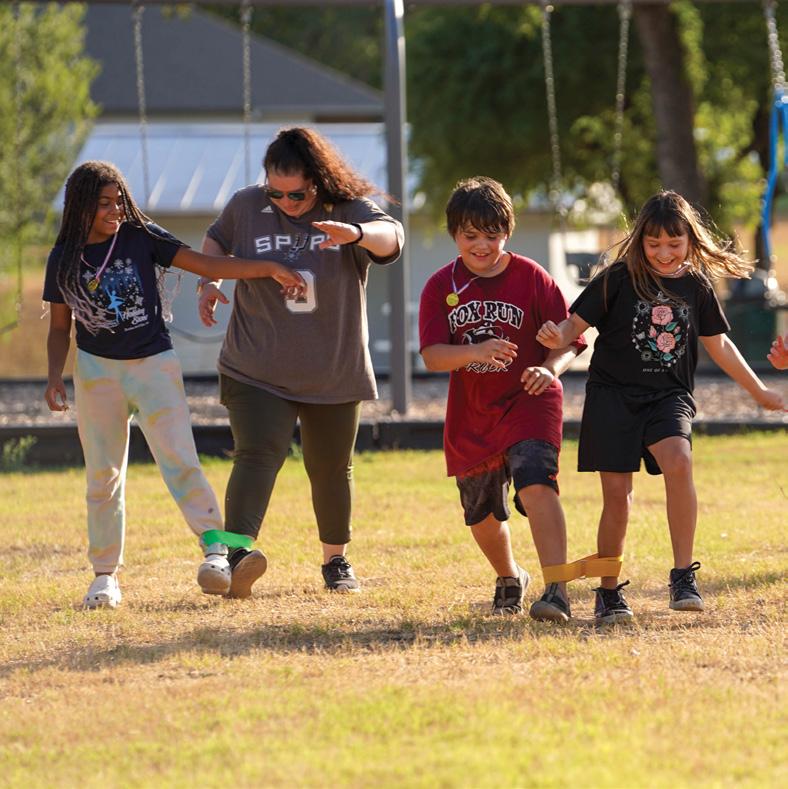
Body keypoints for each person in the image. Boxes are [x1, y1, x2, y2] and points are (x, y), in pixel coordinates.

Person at [43, 160, 306, 609]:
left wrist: (267, 267)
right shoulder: (63, 257)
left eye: (119, 201)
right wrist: (54, 376)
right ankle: (104, 576)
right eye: (104, 203)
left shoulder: (141, 236)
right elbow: (58, 327)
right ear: (80, 206)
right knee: (103, 476)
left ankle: (216, 552)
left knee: (180, 461)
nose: (115, 210)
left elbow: (204, 262)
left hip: (154, 366)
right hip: (97, 373)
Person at [537, 190, 785, 623]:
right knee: (618, 498)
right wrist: (555, 336)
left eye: (674, 243)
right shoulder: (617, 278)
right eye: (654, 244)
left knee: (680, 460)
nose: (665, 253)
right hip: (612, 397)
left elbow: (720, 345)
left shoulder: (696, 285)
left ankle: (682, 576)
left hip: (668, 396)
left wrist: (759, 392)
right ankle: (608, 592)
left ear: (690, 239)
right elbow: (573, 326)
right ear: (640, 241)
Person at [196, 127, 404, 596]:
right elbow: (215, 240)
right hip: (255, 364)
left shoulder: (346, 208)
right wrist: (209, 283)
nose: (285, 202)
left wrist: (356, 234)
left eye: (297, 194)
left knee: (331, 467)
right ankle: (235, 557)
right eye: (276, 192)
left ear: (319, 181)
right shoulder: (246, 204)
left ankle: (336, 561)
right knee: (256, 454)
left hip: (333, 367)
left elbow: (392, 237)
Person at [418, 176, 586, 622]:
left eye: (491, 236)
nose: (481, 245)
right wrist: (475, 352)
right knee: (481, 514)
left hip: (531, 399)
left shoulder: (532, 277)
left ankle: (556, 590)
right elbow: (433, 356)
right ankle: (511, 576)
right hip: (473, 414)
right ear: (454, 234)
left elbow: (570, 339)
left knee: (536, 483)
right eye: (471, 235)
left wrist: (550, 367)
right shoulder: (440, 286)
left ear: (507, 233)